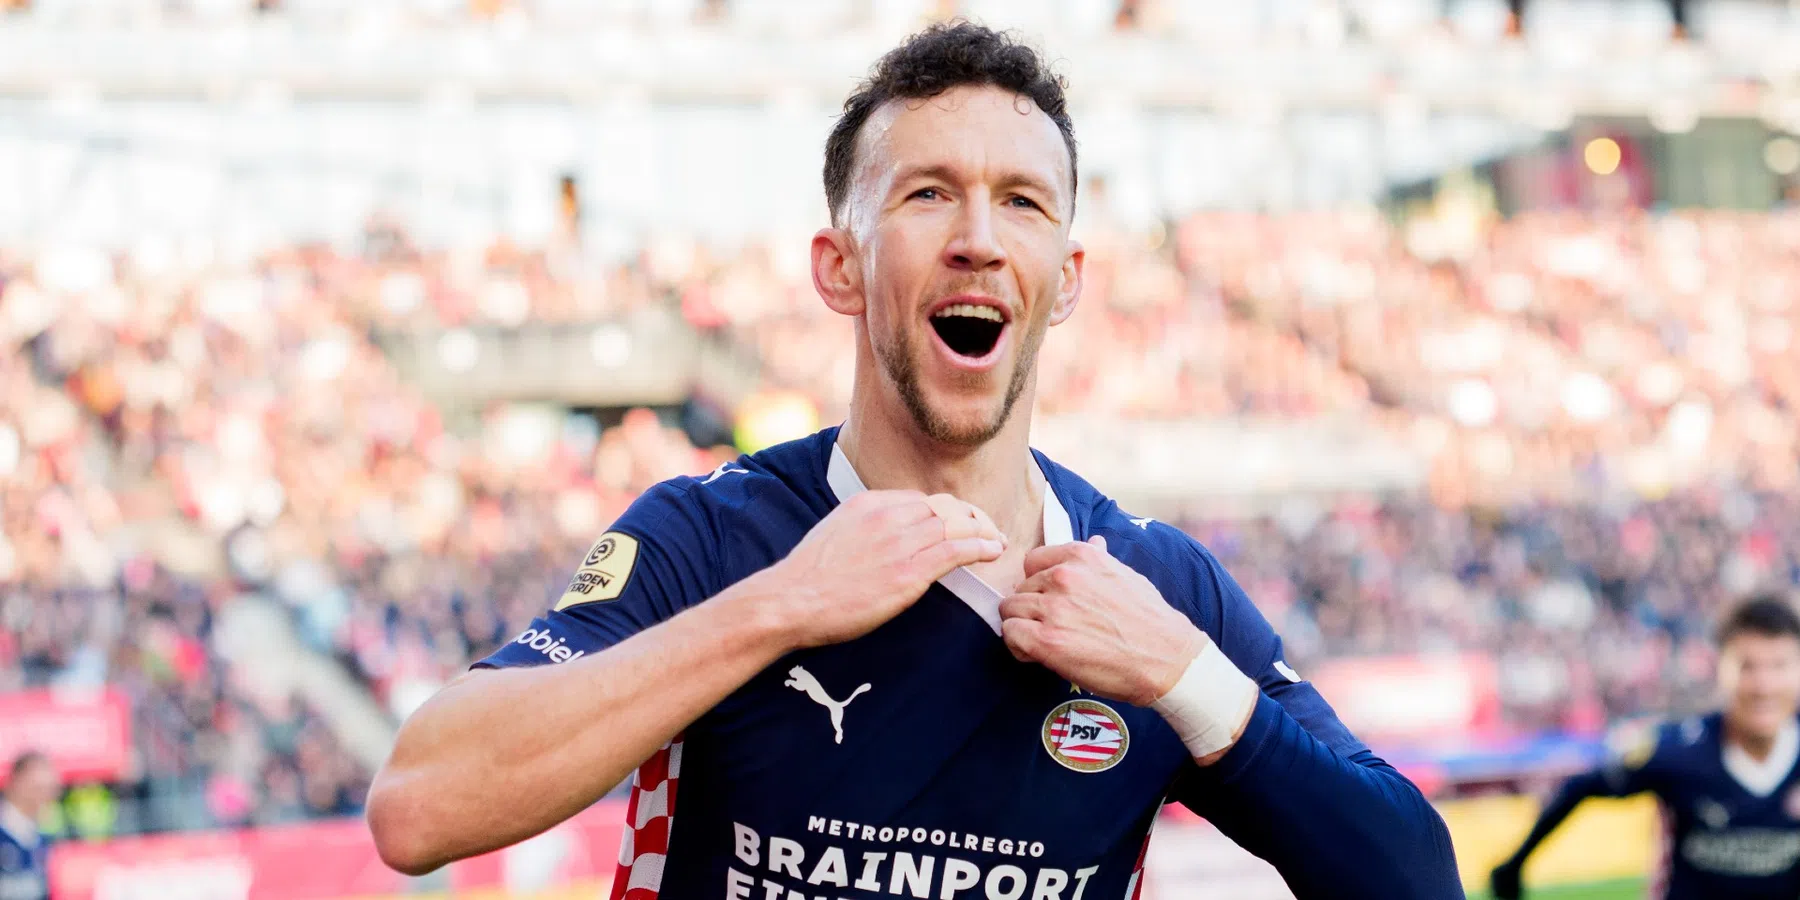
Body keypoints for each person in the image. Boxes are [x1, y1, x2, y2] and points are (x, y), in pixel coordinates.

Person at [367, 22, 1461, 900]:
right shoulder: (713, 538)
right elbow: (419, 806)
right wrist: (781, 608)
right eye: (928, 192)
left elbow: (1414, 876)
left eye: (1022, 201)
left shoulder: (1155, 590)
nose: (978, 237)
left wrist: (1187, 679)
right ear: (839, 266)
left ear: (1066, 278)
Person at [1490, 596, 1800, 900]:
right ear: (1720, 668)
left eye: (1779, 666)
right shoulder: (1679, 749)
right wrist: (1514, 865)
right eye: (1747, 667)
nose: (1764, 686)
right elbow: (1582, 785)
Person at [0, 752, 57, 900]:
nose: (45, 796)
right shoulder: (5, 834)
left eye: (49, 789)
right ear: (16, 783)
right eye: (38, 788)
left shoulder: (42, 838)